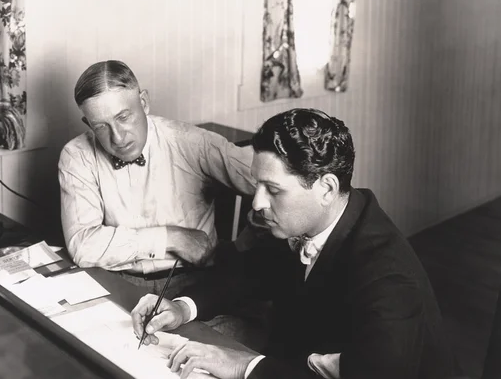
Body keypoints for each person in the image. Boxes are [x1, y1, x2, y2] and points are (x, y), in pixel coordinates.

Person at [130, 108, 455, 379]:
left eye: (273, 189)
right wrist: (182, 307)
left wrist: (244, 365)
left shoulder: (388, 276)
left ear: (326, 188)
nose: (257, 203)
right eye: (257, 185)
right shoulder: (309, 220)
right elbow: (250, 274)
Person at [58, 60, 256, 298]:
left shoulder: (192, 143)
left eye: (123, 117)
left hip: (194, 283)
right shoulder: (76, 156)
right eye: (101, 126)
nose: (118, 138)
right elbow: (83, 246)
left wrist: (242, 249)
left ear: (143, 102)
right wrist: (172, 238)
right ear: (88, 124)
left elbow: (273, 182)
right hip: (115, 282)